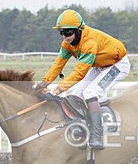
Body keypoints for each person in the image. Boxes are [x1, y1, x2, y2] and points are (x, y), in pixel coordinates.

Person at [36, 9, 130, 149]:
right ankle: (82, 129)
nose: (65, 37)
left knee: (90, 93)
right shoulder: (67, 44)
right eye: (61, 32)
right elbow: (58, 64)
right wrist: (44, 82)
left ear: (79, 30)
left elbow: (79, 73)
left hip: (117, 65)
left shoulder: (89, 43)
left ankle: (96, 136)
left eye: (68, 32)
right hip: (99, 65)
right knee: (74, 95)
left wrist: (56, 91)